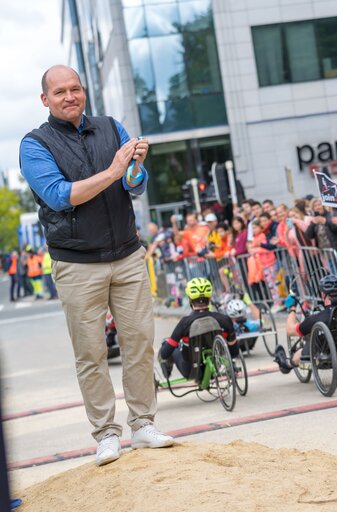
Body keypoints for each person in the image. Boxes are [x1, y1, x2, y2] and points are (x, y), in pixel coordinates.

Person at [19, 65, 172, 466]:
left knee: (139, 342)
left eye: (76, 88)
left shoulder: (110, 127)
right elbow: (59, 196)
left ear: (83, 91)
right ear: (45, 99)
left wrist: (136, 164)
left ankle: (143, 424)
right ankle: (105, 433)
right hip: (77, 263)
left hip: (127, 254)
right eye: (60, 92)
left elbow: (134, 185)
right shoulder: (35, 144)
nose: (70, 96)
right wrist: (114, 170)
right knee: (91, 354)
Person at [157, 278, 238, 379]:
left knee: (167, 344)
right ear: (209, 298)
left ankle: (167, 370)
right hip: (216, 368)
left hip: (191, 372)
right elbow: (234, 353)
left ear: (190, 299)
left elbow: (165, 354)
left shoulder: (184, 323)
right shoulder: (225, 319)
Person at [273, 275, 337, 372]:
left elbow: (290, 330)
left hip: (323, 350)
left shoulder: (319, 317)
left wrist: (292, 308)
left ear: (323, 294)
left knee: (308, 345)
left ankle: (287, 363)